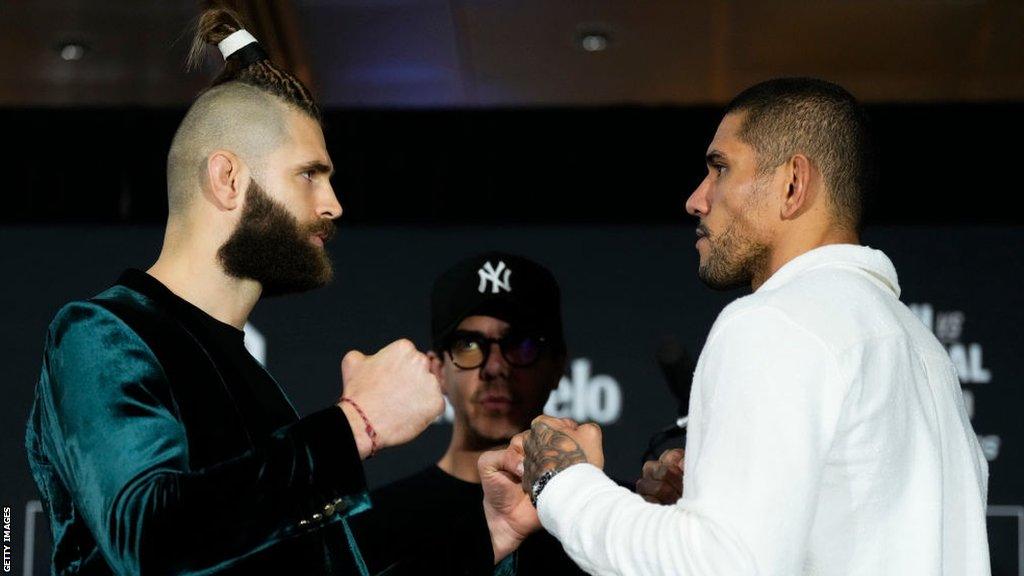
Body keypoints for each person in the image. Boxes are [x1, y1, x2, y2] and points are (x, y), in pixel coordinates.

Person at [24, 7, 512, 575]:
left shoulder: (248, 379)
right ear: (228, 179)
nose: (333, 204)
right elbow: (150, 541)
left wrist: (489, 537)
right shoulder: (102, 336)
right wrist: (359, 422)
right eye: (310, 174)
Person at [481, 78, 992, 575]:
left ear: (793, 184)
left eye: (720, 169)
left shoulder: (777, 321)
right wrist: (698, 507)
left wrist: (561, 481)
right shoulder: (925, 354)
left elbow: (719, 565)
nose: (697, 199)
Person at [369, 252, 587, 574]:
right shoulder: (376, 522)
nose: (495, 367)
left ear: (557, 366)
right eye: (468, 345)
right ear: (438, 369)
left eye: (521, 345)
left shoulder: (609, 516)